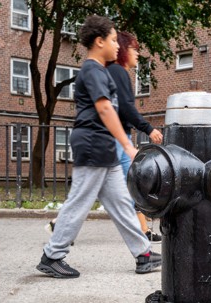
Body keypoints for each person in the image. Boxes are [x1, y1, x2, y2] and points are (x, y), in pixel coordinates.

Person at [37, 15, 161, 279]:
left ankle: (143, 254)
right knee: (79, 203)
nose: (118, 46)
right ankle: (53, 255)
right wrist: (128, 146)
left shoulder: (101, 71)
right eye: (114, 40)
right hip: (93, 144)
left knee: (121, 204)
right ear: (99, 41)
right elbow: (105, 109)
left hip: (103, 148)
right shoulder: (92, 70)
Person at [106, 31, 163, 242]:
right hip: (116, 138)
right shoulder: (118, 72)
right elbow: (126, 108)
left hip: (117, 137)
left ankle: (143, 231)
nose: (137, 54)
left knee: (127, 184)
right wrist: (148, 128)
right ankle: (141, 238)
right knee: (131, 184)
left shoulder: (113, 71)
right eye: (134, 49)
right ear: (122, 50)